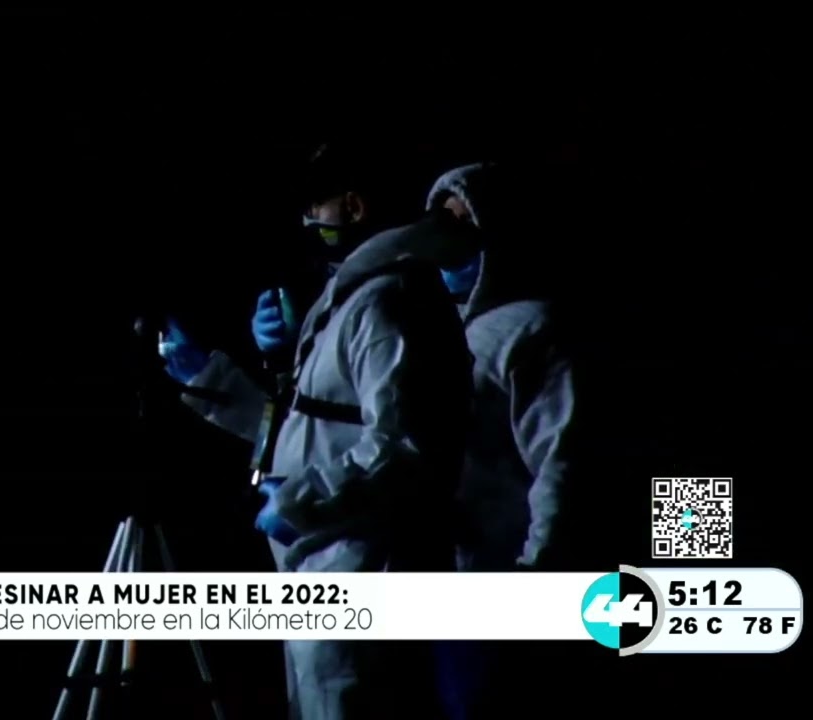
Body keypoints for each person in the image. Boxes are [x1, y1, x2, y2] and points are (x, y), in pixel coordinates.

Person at [159, 143, 473, 719]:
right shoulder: (354, 297)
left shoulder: (386, 301)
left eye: (315, 207)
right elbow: (313, 426)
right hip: (323, 569)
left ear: (353, 207)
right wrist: (214, 379)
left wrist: (299, 499)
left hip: (359, 569)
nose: (308, 221)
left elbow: (404, 447)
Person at [425, 162, 582, 717]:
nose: (447, 238)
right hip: (454, 583)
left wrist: (534, 576)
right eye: (441, 222)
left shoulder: (533, 328)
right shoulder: (439, 330)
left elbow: (561, 463)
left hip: (505, 584)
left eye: (464, 222)